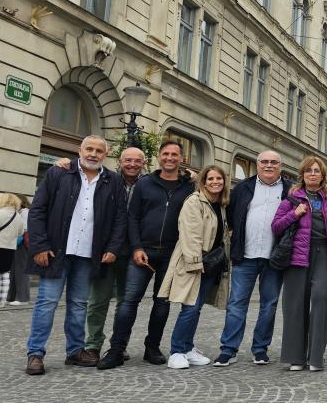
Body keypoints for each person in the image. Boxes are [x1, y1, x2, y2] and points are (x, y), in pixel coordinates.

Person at [25, 135, 127, 375]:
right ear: (80, 150)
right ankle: (35, 353)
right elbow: (37, 210)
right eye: (89, 149)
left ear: (106, 154)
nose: (93, 154)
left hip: (88, 255)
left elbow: (119, 219)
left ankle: (74, 351)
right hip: (55, 251)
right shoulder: (59, 173)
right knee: (46, 304)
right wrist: (39, 246)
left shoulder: (112, 180)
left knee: (79, 305)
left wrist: (112, 248)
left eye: (98, 151)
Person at [99, 141, 196, 370]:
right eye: (166, 154)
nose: (170, 158)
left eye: (174, 154)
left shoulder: (189, 187)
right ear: (159, 157)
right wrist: (137, 248)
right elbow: (132, 218)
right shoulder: (145, 183)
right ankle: (116, 349)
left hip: (173, 254)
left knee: (162, 304)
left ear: (181, 159)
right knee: (129, 301)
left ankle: (152, 347)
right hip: (143, 252)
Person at [214, 150, 293, 367]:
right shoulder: (243, 187)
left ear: (281, 165)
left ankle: (260, 349)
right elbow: (230, 216)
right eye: (264, 162)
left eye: (274, 162)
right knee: (237, 304)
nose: (269, 165)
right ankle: (228, 350)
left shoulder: (290, 190)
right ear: (257, 165)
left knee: (269, 304)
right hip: (245, 255)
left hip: (274, 257)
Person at [271, 156, 327, 371]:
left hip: (325, 254)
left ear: (322, 175)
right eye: (309, 170)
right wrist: (295, 214)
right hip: (297, 256)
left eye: (317, 171)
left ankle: (315, 357)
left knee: (320, 299)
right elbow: (276, 227)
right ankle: (296, 358)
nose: (313, 174)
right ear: (302, 174)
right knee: (295, 305)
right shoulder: (292, 199)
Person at [158, 165, 231, 369]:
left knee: (196, 308)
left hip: (212, 264)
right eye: (211, 179)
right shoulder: (194, 202)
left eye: (219, 178)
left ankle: (188, 348)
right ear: (203, 182)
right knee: (189, 308)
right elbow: (190, 235)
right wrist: (195, 264)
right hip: (195, 264)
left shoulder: (220, 204)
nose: (215, 182)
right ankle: (176, 351)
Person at [80, 147, 144, 363]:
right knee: (98, 300)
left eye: (137, 161)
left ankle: (119, 345)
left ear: (143, 163)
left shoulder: (147, 184)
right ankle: (93, 345)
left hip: (134, 252)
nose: (132, 164)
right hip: (106, 251)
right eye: (128, 160)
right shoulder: (106, 179)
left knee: (126, 303)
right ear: (120, 161)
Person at [0, 192, 27, 308]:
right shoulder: (18, 216)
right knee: (5, 275)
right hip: (10, 249)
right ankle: (2, 301)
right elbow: (21, 232)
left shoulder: (0, 213)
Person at [8, 194, 32, 305]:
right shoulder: (20, 213)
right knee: (14, 270)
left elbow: (25, 229)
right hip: (17, 243)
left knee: (21, 270)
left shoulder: (25, 212)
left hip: (22, 244)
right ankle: (12, 297)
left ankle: (22, 298)